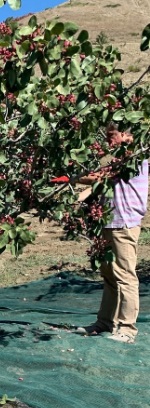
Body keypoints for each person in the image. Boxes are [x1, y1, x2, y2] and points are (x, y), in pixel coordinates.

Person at [76, 123, 148, 343]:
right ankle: (105, 322)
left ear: (125, 134)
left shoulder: (135, 157)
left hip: (124, 222)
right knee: (109, 274)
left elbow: (98, 177)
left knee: (125, 276)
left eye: (111, 136)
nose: (107, 141)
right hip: (107, 220)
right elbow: (101, 184)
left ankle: (127, 329)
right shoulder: (118, 158)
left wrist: (71, 176)